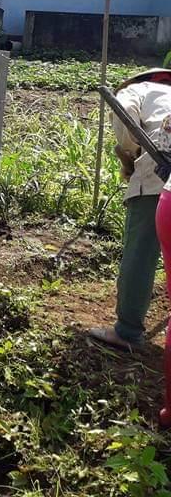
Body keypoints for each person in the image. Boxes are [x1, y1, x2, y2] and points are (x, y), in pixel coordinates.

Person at [89, 68, 171, 351]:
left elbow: (126, 122)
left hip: (159, 172)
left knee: (141, 252)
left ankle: (127, 331)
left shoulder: (136, 91)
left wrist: (129, 156)